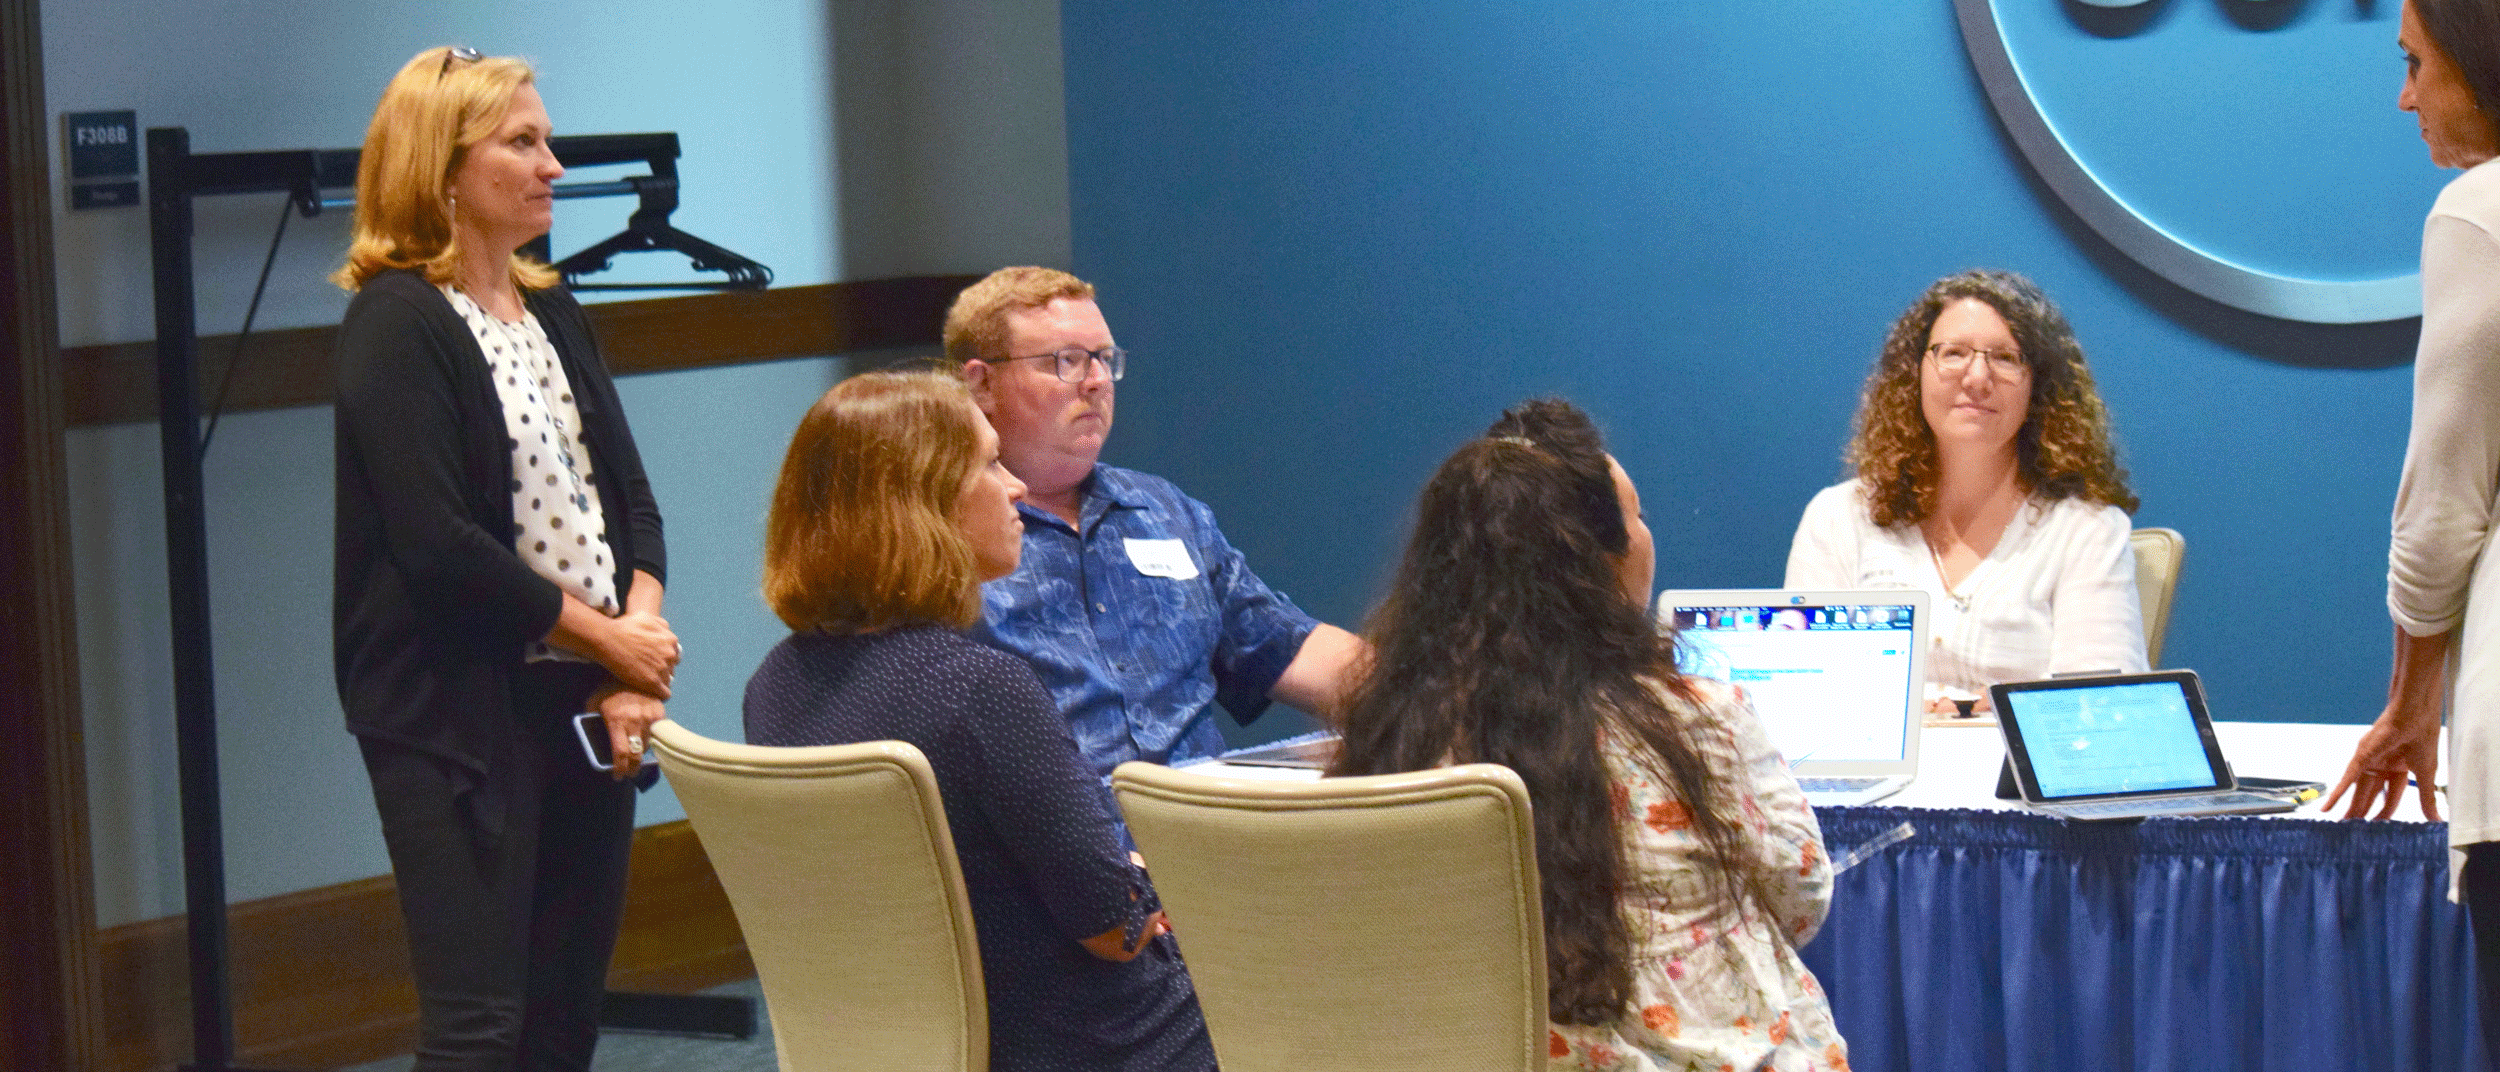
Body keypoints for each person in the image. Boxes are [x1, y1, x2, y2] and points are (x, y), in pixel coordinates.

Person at [330, 46, 677, 1071]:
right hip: (451, 713)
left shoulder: (554, 310)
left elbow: (632, 507)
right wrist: (612, 639)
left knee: (564, 1017)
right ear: (444, 168)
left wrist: (629, 654)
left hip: (583, 693)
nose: (554, 166)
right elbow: (441, 550)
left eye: (549, 141)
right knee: (481, 1027)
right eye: (523, 143)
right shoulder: (396, 321)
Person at [1332, 399, 1844, 1072]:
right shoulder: (1695, 718)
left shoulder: (1394, 735)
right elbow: (1802, 900)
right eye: (1638, 515)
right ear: (1598, 559)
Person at [744, 369, 1216, 1072]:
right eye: (989, 465)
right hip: (1093, 1042)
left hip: (905, 1043)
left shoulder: (773, 686)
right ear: (921, 503)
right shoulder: (978, 690)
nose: (1016, 485)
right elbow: (1113, 928)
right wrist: (1158, 872)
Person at [949, 267, 1365, 781]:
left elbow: (1284, 645)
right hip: (1058, 838)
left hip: (1207, 822)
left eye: (1104, 359)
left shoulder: (1161, 510)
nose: (1098, 382)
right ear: (982, 383)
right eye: (1067, 361)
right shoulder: (945, 535)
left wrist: (1442, 692)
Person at [2329, 2, 2500, 1065]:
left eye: (2413, 64)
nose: (2405, 98)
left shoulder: (2478, 212)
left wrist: (2408, 704)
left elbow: (2441, 507)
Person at [1785, 269, 2145, 713]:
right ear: (1914, 374)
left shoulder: (2087, 531)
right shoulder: (1838, 517)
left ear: (2040, 386)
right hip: (1871, 778)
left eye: (2006, 358)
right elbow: (1805, 693)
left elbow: (2102, 709)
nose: (1977, 377)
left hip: (2009, 780)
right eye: (1952, 353)